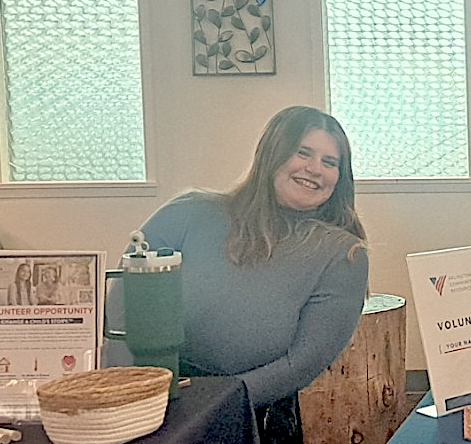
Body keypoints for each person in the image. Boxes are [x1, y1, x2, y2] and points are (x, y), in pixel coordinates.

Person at [116, 106, 369, 409]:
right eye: (303, 153)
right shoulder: (187, 213)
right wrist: (129, 386)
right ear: (271, 154)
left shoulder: (345, 256)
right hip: (144, 392)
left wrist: (216, 404)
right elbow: (122, 304)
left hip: (245, 410)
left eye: (330, 162)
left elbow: (302, 364)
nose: (315, 168)